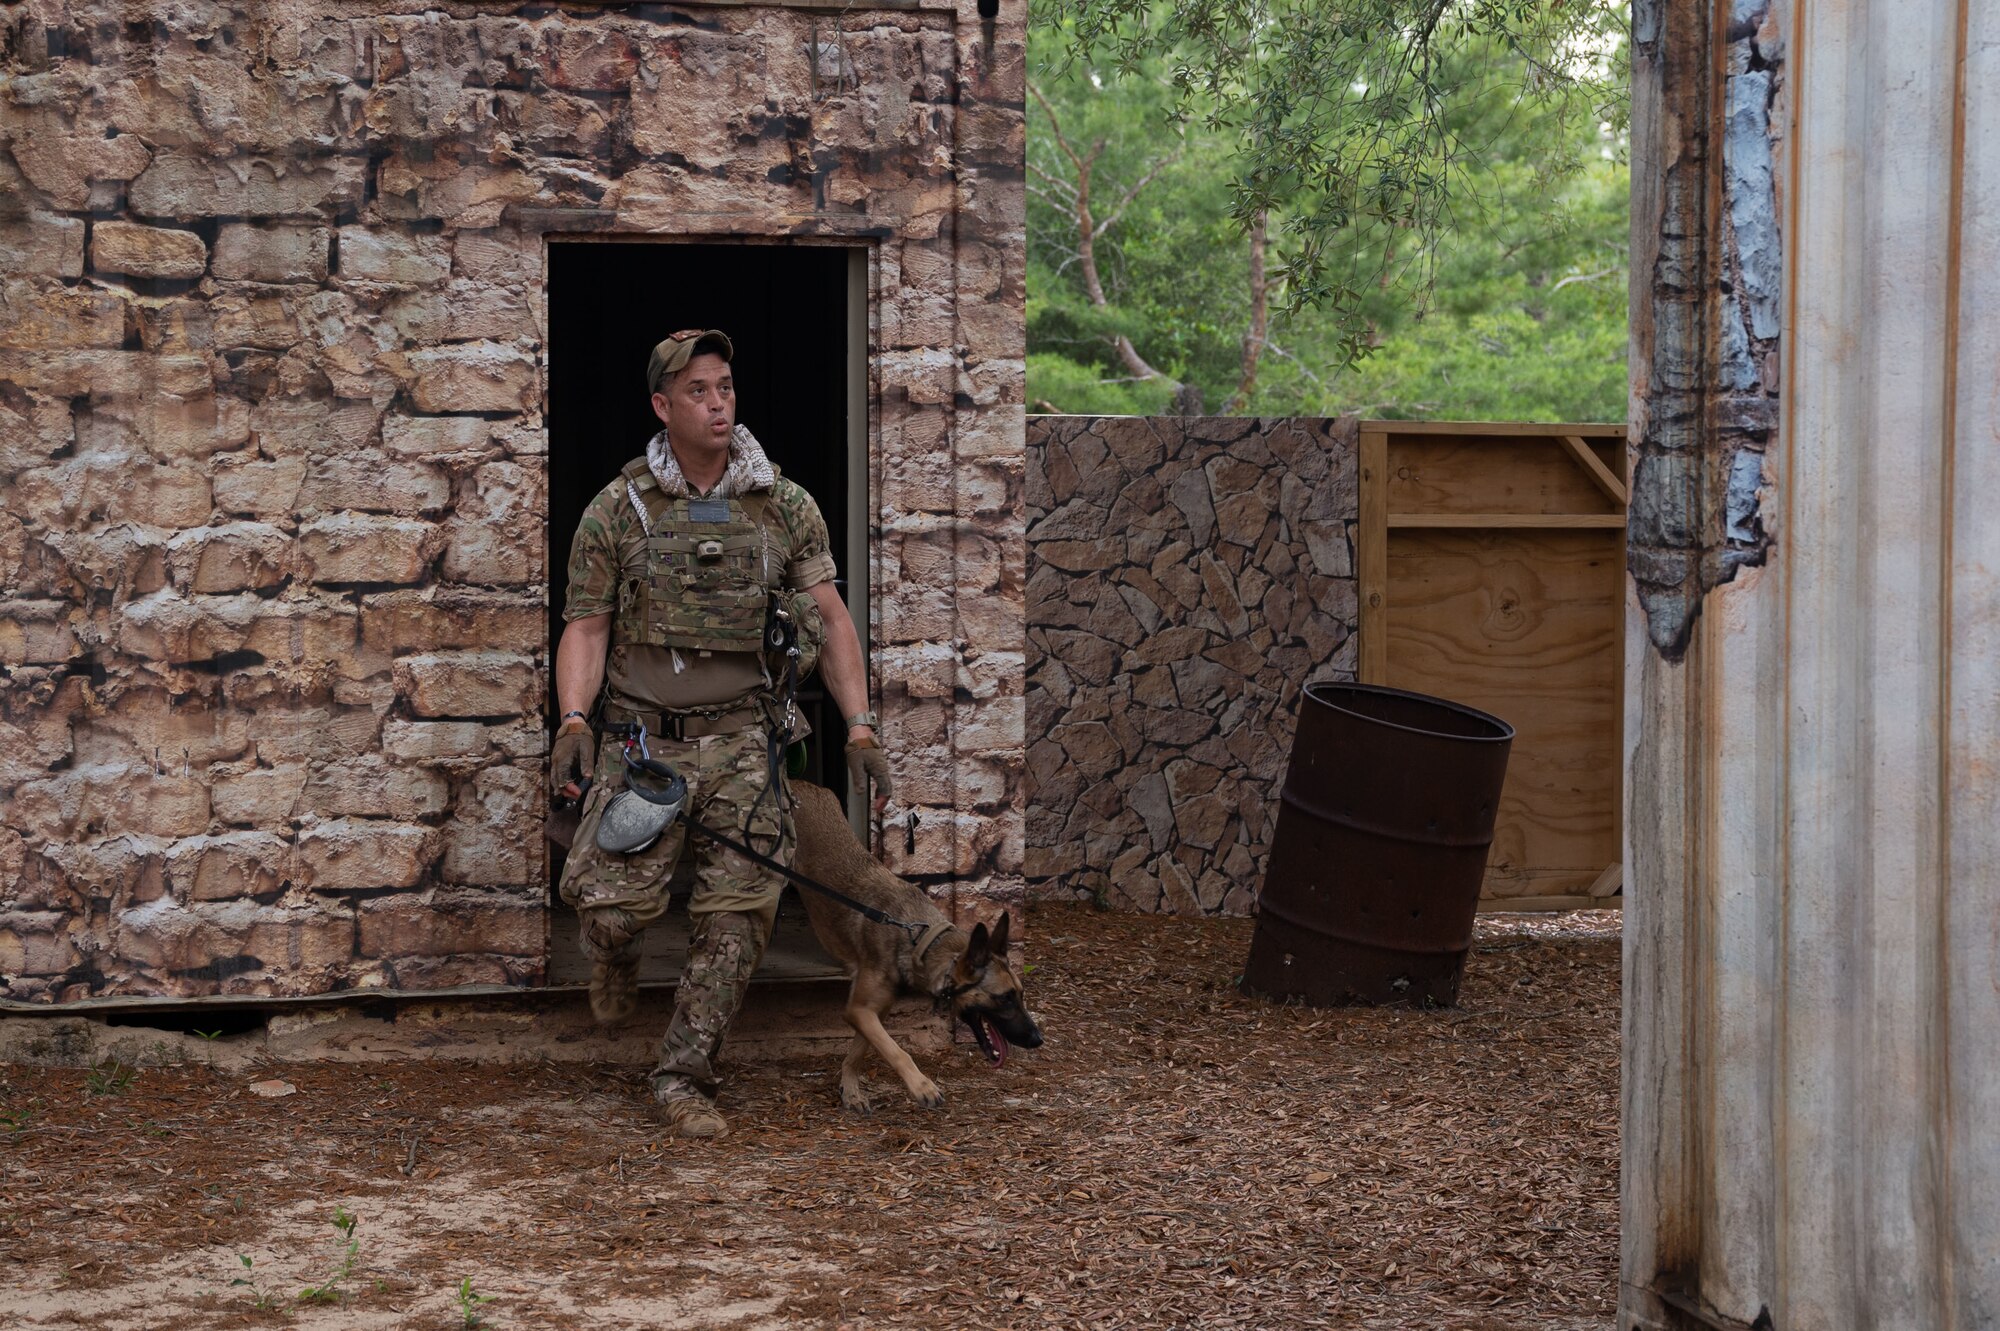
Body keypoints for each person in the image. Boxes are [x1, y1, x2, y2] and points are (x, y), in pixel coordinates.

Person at [550, 328, 892, 1139]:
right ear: (663, 406)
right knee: (608, 909)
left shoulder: (783, 506)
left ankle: (682, 1075)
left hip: (744, 740)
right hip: (644, 743)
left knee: (740, 916)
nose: (718, 403)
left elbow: (833, 621)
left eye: (727, 388)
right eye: (698, 391)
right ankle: (617, 949)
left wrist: (861, 725)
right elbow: (588, 628)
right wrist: (573, 718)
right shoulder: (617, 510)